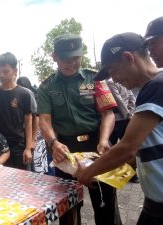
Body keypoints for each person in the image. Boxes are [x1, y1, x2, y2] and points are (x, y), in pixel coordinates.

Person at [75, 32, 163, 225]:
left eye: (113, 71)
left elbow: (127, 147)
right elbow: (144, 145)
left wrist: (88, 172)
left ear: (128, 58)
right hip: (155, 201)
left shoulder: (157, 86)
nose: (114, 80)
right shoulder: (148, 88)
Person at [37, 34, 121, 225]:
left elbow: (108, 113)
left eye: (76, 57)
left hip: (96, 146)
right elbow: (44, 120)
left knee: (105, 202)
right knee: (68, 208)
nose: (72, 62)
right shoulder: (47, 86)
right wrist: (53, 143)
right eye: (66, 58)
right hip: (65, 150)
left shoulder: (94, 79)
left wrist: (104, 139)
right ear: (54, 57)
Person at [106, 78, 139, 183]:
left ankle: (125, 174)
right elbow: (130, 97)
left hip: (117, 119)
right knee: (125, 147)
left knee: (115, 148)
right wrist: (131, 113)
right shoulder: (122, 80)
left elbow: (118, 100)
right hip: (126, 118)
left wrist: (128, 114)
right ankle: (130, 175)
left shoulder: (110, 81)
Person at [17, 76, 50, 174]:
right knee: (29, 164)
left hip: (37, 135)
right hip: (27, 135)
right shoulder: (21, 97)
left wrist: (33, 140)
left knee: (37, 165)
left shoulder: (33, 97)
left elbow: (37, 117)